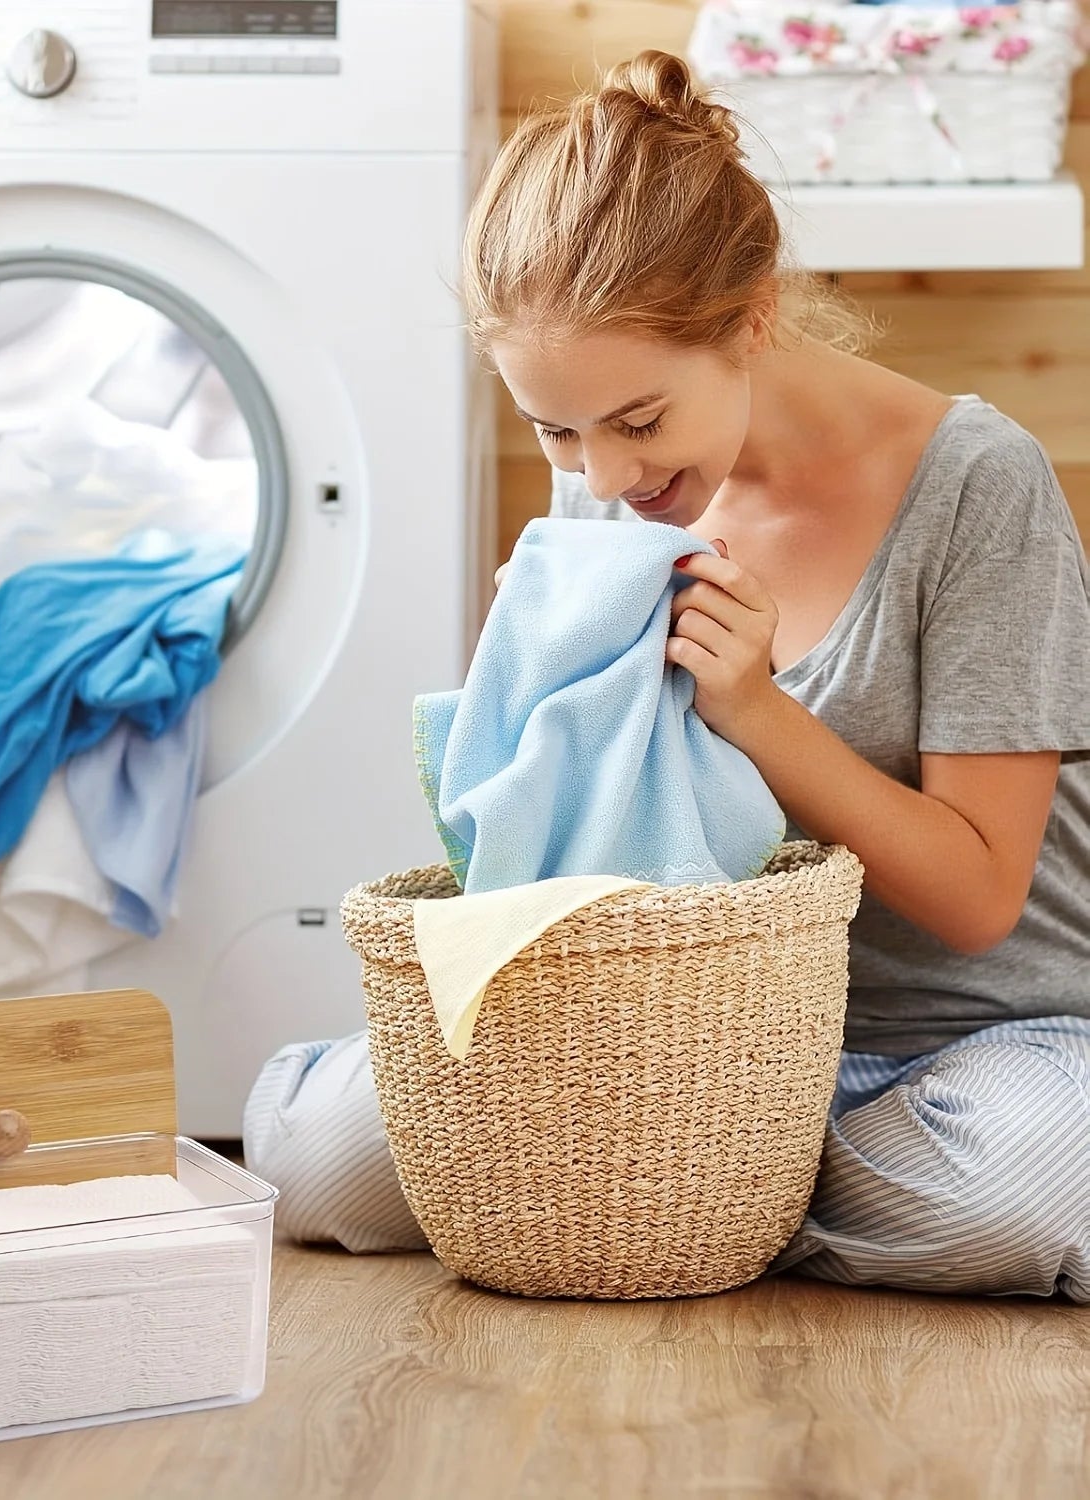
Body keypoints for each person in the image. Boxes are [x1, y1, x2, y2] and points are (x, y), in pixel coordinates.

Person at [243, 51, 1090, 1300]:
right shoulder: (612, 485)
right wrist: (541, 679)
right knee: (320, 1156)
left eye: (638, 422)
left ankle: (664, 1201)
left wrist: (756, 712)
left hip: (960, 1047)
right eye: (554, 430)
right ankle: (691, 1190)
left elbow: (978, 900)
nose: (601, 478)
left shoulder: (976, 484)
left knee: (1006, 1195)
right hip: (670, 1035)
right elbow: (557, 822)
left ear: (752, 318)